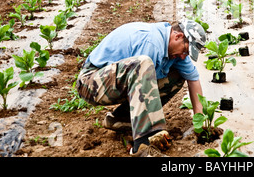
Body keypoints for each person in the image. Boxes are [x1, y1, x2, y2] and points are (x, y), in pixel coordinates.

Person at [76, 20, 206, 156]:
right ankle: (142, 146)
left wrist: (200, 122)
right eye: (185, 50)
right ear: (177, 36)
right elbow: (139, 88)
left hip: (117, 80)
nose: (183, 56)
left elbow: (193, 80)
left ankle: (121, 118)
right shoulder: (152, 42)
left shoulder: (175, 51)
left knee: (177, 77)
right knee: (143, 64)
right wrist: (152, 132)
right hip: (91, 82)